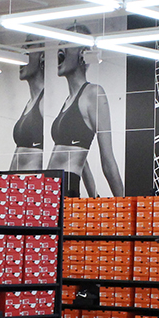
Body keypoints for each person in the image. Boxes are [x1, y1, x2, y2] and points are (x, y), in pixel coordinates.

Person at [48, 26, 124, 197]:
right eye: (60, 42)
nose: (60, 46)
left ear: (83, 53)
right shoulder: (68, 101)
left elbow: (108, 161)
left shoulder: (94, 93)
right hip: (50, 188)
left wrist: (124, 206)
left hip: (66, 188)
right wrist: (93, 196)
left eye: (67, 42)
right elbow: (82, 160)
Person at [8, 47, 45, 172]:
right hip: (17, 181)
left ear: (42, 57)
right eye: (22, 50)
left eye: (28, 49)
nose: (22, 56)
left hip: (33, 180)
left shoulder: (45, 102)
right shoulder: (30, 103)